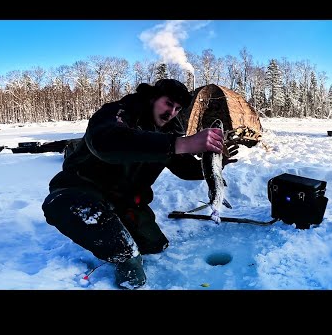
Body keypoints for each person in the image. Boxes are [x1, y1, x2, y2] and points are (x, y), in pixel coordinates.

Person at [41, 79, 238, 289]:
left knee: (154, 245)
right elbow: (105, 143)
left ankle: (117, 227)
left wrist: (216, 163)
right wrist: (181, 144)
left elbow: (185, 169)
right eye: (168, 103)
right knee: (67, 207)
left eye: (177, 108)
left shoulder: (168, 132)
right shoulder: (119, 113)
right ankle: (126, 259)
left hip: (123, 202)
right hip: (80, 189)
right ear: (153, 98)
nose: (171, 112)